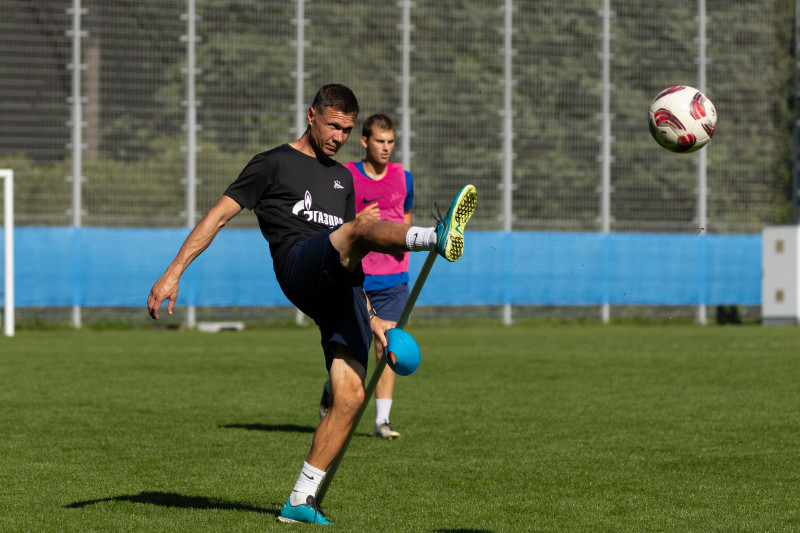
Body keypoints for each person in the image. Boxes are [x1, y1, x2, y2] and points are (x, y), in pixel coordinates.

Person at [146, 84, 477, 525]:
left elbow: (351, 259)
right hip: (299, 264)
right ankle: (434, 237)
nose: (339, 137)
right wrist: (174, 271)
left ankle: (299, 501)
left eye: (346, 129)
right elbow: (218, 216)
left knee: (350, 396)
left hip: (339, 283)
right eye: (333, 126)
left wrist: (373, 318)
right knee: (362, 225)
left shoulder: (343, 179)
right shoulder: (272, 163)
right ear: (311, 115)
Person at [318, 114, 413, 440]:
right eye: (379, 142)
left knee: (387, 346)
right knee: (353, 349)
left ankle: (381, 422)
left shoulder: (404, 177)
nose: (386, 148)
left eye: (391, 142)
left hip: (394, 277)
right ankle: (332, 390)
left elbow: (407, 222)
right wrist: (359, 220)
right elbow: (335, 226)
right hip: (357, 275)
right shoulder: (347, 178)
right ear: (364, 141)